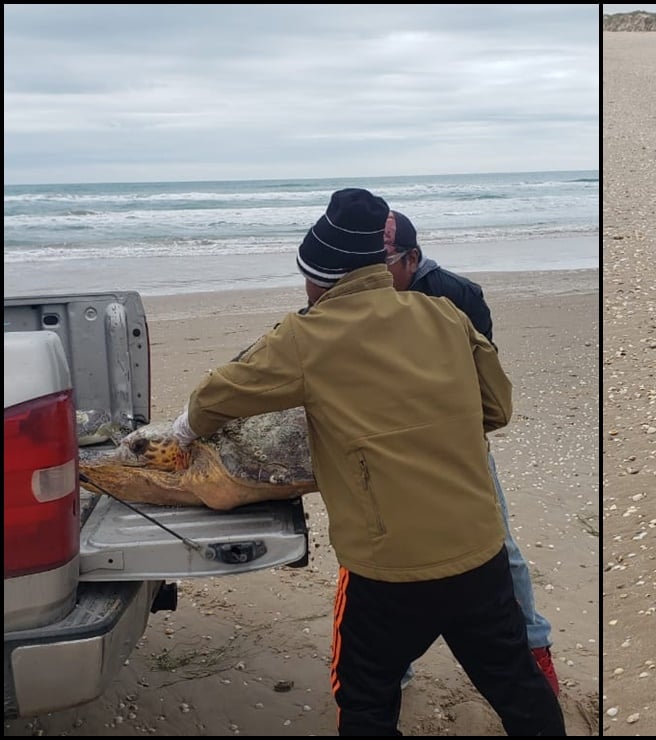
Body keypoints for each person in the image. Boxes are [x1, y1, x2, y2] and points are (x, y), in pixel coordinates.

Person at [171, 188, 565, 736]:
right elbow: (496, 409)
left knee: (364, 698)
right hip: (479, 554)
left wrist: (183, 433)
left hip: (386, 572)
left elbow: (214, 397)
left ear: (318, 278)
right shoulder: (446, 315)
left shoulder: (304, 336)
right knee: (516, 687)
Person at [382, 208, 560, 696]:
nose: (372, 274)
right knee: (392, 556)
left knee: (502, 547)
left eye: (383, 261)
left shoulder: (456, 295)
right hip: (391, 450)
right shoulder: (360, 299)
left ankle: (534, 647)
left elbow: (485, 383)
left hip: (457, 446)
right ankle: (391, 669)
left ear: (411, 258)